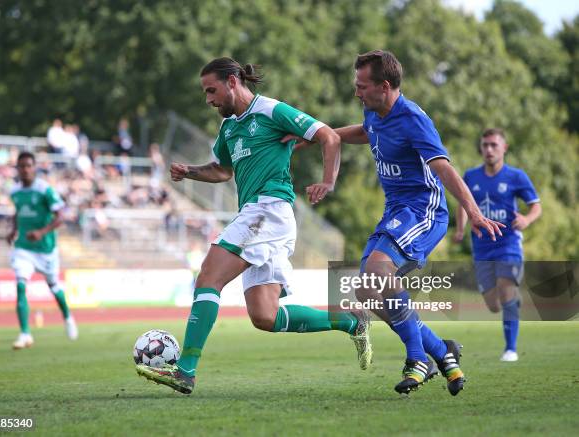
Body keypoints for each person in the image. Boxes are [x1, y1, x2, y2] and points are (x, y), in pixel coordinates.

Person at [135, 57, 371, 394]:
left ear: (233, 82)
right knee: (265, 316)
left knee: (208, 276)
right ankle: (351, 321)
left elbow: (329, 137)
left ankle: (184, 370)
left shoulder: (271, 111)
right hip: (259, 215)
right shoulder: (229, 127)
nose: (208, 100)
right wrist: (190, 172)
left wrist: (328, 182)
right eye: (204, 93)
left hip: (268, 210)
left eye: (211, 90)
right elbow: (222, 171)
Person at [296, 50, 504, 395]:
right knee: (364, 290)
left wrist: (475, 211)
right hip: (396, 211)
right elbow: (367, 131)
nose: (357, 92)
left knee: (378, 274)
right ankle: (442, 350)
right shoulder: (374, 109)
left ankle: (417, 358)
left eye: (363, 86)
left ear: (386, 86)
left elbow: (443, 169)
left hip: (424, 209)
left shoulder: (414, 119)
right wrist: (323, 135)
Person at [454, 128, 541, 362]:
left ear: (504, 148)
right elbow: (463, 203)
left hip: (509, 244)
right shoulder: (471, 176)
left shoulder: (516, 177)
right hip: (482, 248)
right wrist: (461, 228)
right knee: (493, 305)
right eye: (485, 145)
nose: (489, 149)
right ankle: (512, 301)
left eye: (494, 145)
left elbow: (536, 206)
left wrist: (526, 219)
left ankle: (510, 349)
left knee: (506, 289)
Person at [6, 151, 78, 349]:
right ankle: (25, 334)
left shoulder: (45, 190)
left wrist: (42, 232)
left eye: (29, 165)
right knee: (20, 285)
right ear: (18, 169)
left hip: (46, 250)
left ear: (34, 167)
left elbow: (61, 216)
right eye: (22, 166)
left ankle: (67, 317)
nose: (25, 169)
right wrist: (13, 230)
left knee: (54, 286)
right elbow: (17, 212)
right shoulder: (14, 191)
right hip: (23, 248)